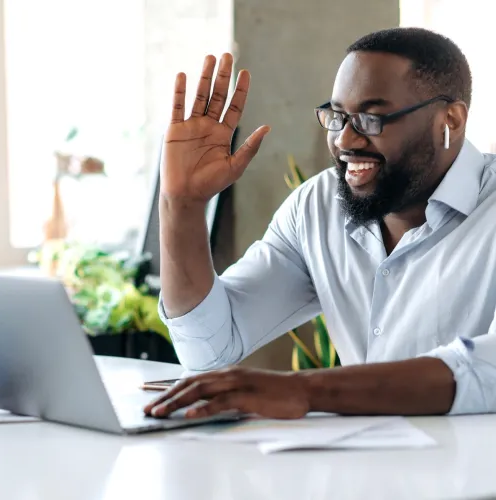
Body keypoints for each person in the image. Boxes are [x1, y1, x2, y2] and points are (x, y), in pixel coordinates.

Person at [144, 27, 496, 421]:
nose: (345, 139)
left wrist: (304, 389)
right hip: (362, 472)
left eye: (371, 118)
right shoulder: (316, 207)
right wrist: (182, 206)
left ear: (450, 119)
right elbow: (209, 349)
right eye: (337, 116)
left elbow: (488, 371)